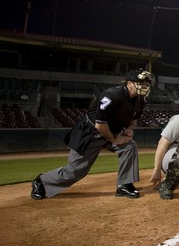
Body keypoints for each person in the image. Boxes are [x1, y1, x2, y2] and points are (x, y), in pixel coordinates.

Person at [31, 68, 154, 200]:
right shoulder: (111, 95)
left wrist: (130, 129)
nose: (145, 85)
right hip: (90, 133)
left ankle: (124, 185)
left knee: (129, 146)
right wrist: (114, 139)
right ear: (129, 83)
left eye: (147, 82)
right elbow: (100, 125)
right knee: (75, 172)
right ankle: (42, 181)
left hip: (112, 132)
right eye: (141, 82)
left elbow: (134, 118)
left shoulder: (141, 100)